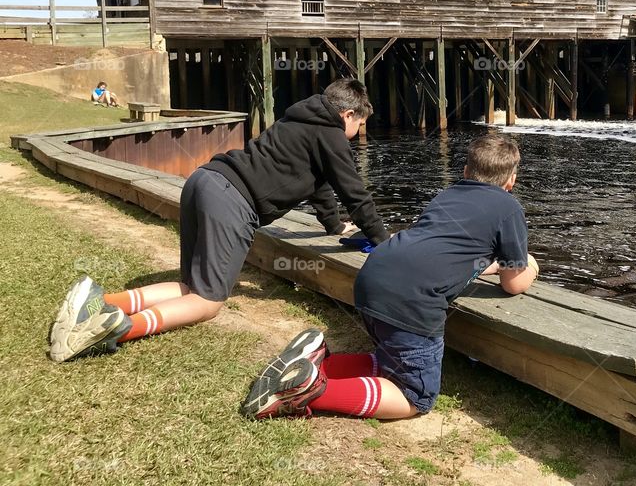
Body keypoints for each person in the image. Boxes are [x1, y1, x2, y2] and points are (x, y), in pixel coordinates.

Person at [48, 78, 389, 363]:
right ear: (347, 114)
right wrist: (385, 243)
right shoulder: (330, 134)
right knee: (207, 303)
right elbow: (355, 194)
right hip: (231, 201)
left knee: (192, 289)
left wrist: (333, 227)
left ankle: (98, 303)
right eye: (359, 125)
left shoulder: (298, 120)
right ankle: (115, 329)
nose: (358, 133)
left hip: (204, 181)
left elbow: (319, 187)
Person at [240, 133, 539, 421]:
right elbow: (513, 283)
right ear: (511, 180)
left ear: (465, 171)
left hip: (373, 277)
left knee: (390, 365)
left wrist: (495, 265)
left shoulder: (447, 195)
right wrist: (530, 266)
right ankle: (307, 392)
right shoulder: (508, 208)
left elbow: (449, 253)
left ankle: (314, 365)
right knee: (415, 396)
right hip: (411, 301)